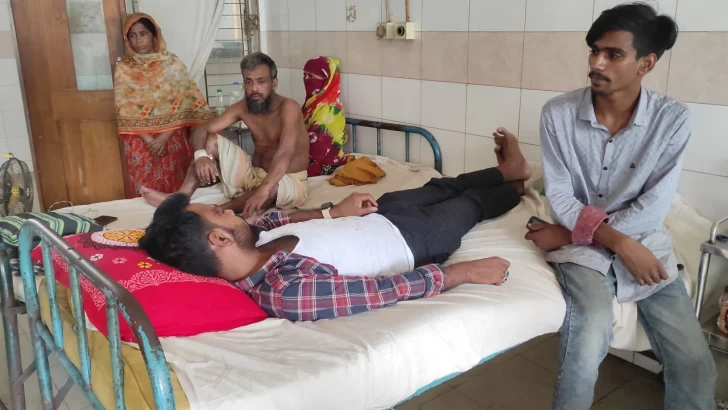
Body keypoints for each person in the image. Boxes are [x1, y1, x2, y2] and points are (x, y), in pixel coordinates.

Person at [523, 4, 716, 409]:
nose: (596, 63)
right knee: (585, 345)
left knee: (697, 367)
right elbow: (560, 197)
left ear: (646, 63)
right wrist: (620, 243)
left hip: (644, 243)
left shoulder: (672, 120)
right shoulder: (557, 114)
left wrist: (576, 233)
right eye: (594, 50)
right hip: (595, 251)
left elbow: (653, 207)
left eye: (613, 54)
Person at [139, 131, 531, 321]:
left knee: (440, 185)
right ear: (219, 238)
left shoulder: (255, 240)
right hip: (413, 241)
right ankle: (515, 187)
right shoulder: (283, 290)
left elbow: (279, 218)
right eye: (220, 212)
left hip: (378, 215)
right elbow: (380, 292)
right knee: (469, 204)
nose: (229, 210)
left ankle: (508, 171)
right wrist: (462, 273)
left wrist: (334, 212)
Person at [140, 52, 310, 219]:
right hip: (254, 174)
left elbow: (285, 152)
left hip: (287, 179)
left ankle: (217, 211)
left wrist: (265, 188)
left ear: (274, 83)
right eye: (248, 82)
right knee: (210, 141)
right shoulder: (244, 106)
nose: (254, 88)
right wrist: (201, 156)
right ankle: (180, 198)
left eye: (261, 81)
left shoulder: (289, 108)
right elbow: (203, 129)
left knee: (273, 189)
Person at [114, 13, 215, 198]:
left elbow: (186, 102)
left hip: (172, 137)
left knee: (176, 186)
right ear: (127, 40)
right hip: (140, 141)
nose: (138, 40)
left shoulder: (172, 64)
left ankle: (175, 213)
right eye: (132, 35)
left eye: (143, 34)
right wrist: (149, 140)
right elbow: (123, 108)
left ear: (155, 36)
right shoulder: (124, 68)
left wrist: (163, 137)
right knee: (143, 190)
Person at [302, 56, 349, 177]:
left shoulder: (328, 110)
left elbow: (316, 153)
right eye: (304, 75)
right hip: (307, 159)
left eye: (311, 76)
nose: (306, 79)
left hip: (325, 167)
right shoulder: (314, 103)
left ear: (326, 80)